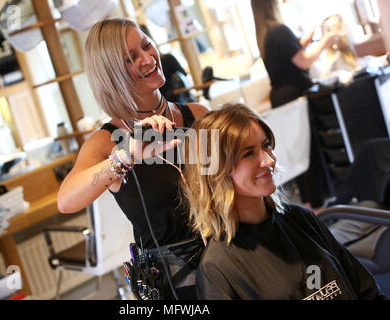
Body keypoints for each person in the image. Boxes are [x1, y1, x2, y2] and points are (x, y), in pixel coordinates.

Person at [56, 18, 210, 300]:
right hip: (175, 286)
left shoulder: (197, 115)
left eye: (146, 45)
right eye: (131, 58)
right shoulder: (107, 141)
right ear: (111, 73)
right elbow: (66, 200)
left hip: (230, 259)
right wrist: (126, 157)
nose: (148, 58)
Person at [181, 103, 387, 300]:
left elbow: (366, 290)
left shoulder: (300, 218)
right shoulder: (218, 270)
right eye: (248, 153)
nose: (269, 160)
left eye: (266, 145)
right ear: (216, 171)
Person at [251, 0, 340, 213]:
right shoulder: (280, 30)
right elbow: (304, 62)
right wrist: (325, 41)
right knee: (309, 151)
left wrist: (307, 41)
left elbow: (290, 55)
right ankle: (319, 206)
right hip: (294, 97)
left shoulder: (266, 33)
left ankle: (311, 205)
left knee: (299, 153)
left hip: (281, 98)